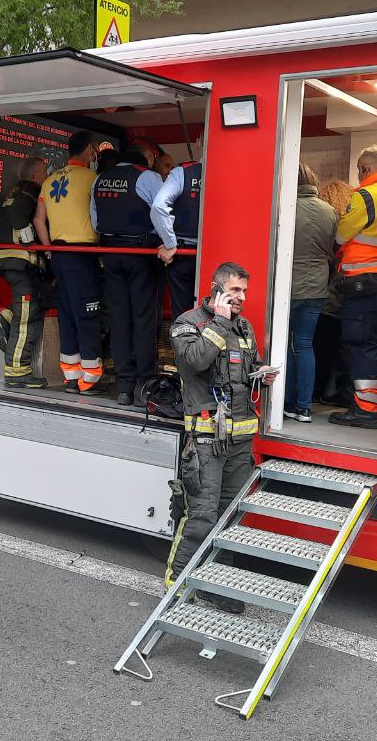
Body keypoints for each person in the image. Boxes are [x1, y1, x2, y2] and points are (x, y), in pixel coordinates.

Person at [166, 261, 278, 612]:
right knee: (200, 515)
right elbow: (195, 362)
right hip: (205, 442)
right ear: (216, 291)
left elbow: (245, 368)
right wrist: (218, 320)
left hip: (240, 443)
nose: (242, 297)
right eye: (235, 291)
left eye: (244, 290)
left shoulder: (244, 327)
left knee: (229, 518)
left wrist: (261, 375)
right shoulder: (188, 324)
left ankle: (214, 587)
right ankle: (177, 586)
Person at [330, 146, 377, 429]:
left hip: (364, 283)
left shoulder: (365, 195)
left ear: (365, 169)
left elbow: (341, 233)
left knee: (362, 344)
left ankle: (364, 409)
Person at [92, 142, 164, 406]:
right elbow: (162, 211)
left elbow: (96, 221)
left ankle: (124, 386)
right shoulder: (146, 176)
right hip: (141, 253)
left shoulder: (100, 179)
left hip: (111, 253)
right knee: (144, 319)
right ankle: (144, 385)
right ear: (142, 162)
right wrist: (169, 243)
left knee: (120, 319)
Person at [34, 131, 104, 394]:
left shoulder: (49, 181)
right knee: (88, 314)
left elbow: (39, 219)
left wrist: (49, 249)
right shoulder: (91, 178)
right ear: (89, 150)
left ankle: (71, 377)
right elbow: (99, 218)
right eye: (95, 150)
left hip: (59, 256)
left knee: (67, 314)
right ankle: (91, 378)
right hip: (83, 254)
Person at [0, 155, 49, 389]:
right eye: (44, 172)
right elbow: (20, 218)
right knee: (27, 316)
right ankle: (17, 371)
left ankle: (5, 317)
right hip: (22, 260)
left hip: (9, 260)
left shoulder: (13, 191)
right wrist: (31, 242)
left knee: (31, 304)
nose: (47, 176)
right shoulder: (29, 192)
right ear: (34, 176)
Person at [285, 164, 337, 423]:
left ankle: (287, 402)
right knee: (305, 344)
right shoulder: (330, 211)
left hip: (290, 285)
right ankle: (305, 407)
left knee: (285, 344)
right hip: (317, 285)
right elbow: (333, 249)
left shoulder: (287, 207)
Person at [315, 179, 355, 407]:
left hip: (326, 300)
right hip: (348, 298)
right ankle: (336, 391)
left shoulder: (326, 225)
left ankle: (319, 390)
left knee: (320, 347)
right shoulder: (353, 226)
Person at [151, 158, 203, 319]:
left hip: (183, 253)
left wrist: (170, 244)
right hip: (218, 254)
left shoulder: (183, 173)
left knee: (182, 314)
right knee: (215, 311)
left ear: (200, 142)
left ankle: (183, 344)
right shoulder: (231, 170)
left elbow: (159, 206)